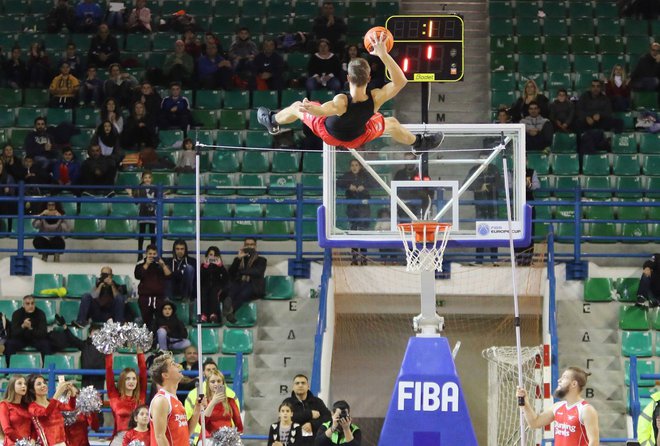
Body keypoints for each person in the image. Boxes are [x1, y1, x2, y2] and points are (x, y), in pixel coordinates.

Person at [258, 35, 443, 153]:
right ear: (369, 77)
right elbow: (401, 81)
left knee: (296, 107)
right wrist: (383, 55)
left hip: (329, 135)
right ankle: (419, 144)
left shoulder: (341, 101)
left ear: (347, 78)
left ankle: (272, 121)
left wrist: (306, 108)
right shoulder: (376, 98)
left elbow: (321, 112)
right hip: (358, 138)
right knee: (392, 124)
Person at [517, 366, 599, 446]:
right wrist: (525, 404)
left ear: (574, 384)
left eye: (564, 377)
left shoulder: (586, 410)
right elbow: (535, 423)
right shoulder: (557, 407)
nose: (559, 380)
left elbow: (594, 442)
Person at [149, 351, 202, 446]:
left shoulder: (175, 400)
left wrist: (197, 408)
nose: (178, 365)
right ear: (165, 375)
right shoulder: (161, 400)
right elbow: (160, 437)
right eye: (173, 364)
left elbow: (187, 433)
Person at [106, 348, 147, 445]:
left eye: (134, 379)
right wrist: (109, 353)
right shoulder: (114, 396)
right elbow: (108, 371)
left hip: (139, 439)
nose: (131, 381)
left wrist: (140, 353)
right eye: (127, 379)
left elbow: (143, 372)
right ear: (122, 381)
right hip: (120, 439)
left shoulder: (140, 397)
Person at [467, 153, 501, 265]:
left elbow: (500, 184)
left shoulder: (494, 169)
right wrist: (479, 187)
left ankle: (494, 259)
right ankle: (479, 260)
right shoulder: (474, 170)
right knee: (480, 232)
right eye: (481, 158)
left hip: (493, 205)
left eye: (486, 158)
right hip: (480, 206)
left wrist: (488, 187)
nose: (483, 160)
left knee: (494, 232)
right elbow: (466, 184)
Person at [222, 238, 267, 323]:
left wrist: (241, 272)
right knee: (232, 291)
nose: (249, 246)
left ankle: (230, 311)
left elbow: (257, 272)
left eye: (251, 244)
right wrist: (238, 258)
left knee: (243, 293)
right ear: (244, 246)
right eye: (247, 244)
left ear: (255, 246)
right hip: (240, 283)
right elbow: (231, 273)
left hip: (254, 285)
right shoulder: (239, 259)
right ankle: (228, 307)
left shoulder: (261, 260)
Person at [27, 375, 78, 446]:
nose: (43, 385)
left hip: (63, 442)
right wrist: (57, 393)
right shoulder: (32, 407)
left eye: (44, 383)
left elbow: (70, 407)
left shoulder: (53, 402)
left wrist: (72, 394)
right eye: (39, 384)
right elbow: (46, 413)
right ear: (32, 390)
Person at [339, 159, 372, 265]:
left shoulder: (366, 176)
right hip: (352, 208)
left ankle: (364, 257)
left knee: (363, 232)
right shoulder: (347, 175)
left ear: (360, 166)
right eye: (352, 165)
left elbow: (375, 183)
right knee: (353, 231)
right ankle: (354, 257)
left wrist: (365, 186)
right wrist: (349, 186)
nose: (354, 167)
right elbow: (338, 182)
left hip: (364, 208)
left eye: (356, 165)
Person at [282, 374, 331, 443]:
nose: (300, 385)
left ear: (308, 386)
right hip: (293, 442)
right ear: (293, 387)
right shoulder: (287, 402)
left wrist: (312, 424)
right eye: (297, 383)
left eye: (303, 383)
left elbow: (328, 418)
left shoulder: (317, 401)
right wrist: (309, 414)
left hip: (314, 442)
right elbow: (285, 419)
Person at [134, 244, 172, 326]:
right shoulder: (140, 263)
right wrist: (147, 264)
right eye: (150, 254)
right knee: (147, 322)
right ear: (146, 254)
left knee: (160, 322)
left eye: (154, 254)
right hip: (145, 298)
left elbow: (169, 276)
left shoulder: (161, 264)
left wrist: (163, 265)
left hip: (159, 298)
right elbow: (138, 275)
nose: (152, 256)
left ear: (157, 254)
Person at [201, 370, 243, 439]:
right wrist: (213, 402)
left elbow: (239, 425)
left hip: (227, 439)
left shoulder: (230, 401)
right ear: (208, 384)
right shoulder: (204, 401)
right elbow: (202, 422)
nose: (216, 384)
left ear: (223, 383)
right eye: (212, 382)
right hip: (209, 438)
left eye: (219, 381)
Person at [129, 171, 158, 255]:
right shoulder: (139, 188)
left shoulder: (155, 188)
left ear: (152, 179)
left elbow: (158, 200)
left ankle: (153, 252)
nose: (147, 179)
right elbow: (136, 202)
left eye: (149, 177)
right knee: (141, 233)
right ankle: (140, 253)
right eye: (145, 177)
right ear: (142, 179)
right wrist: (131, 194)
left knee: (152, 233)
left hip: (152, 213)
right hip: (142, 213)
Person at [0, 375, 33, 446]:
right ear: (12, 386)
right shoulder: (4, 404)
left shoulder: (27, 406)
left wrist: (32, 441)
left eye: (25, 384)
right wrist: (23, 442)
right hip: (13, 444)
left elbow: (33, 427)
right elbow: (7, 429)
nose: (23, 386)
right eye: (19, 383)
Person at [200, 246, 229, 323]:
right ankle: (204, 314)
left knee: (214, 293)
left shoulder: (220, 266)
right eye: (210, 255)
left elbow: (226, 278)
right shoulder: (203, 266)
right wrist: (205, 267)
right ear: (207, 255)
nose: (212, 257)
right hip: (205, 286)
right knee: (204, 293)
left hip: (217, 286)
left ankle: (214, 314)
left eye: (215, 255)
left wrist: (220, 266)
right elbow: (200, 279)